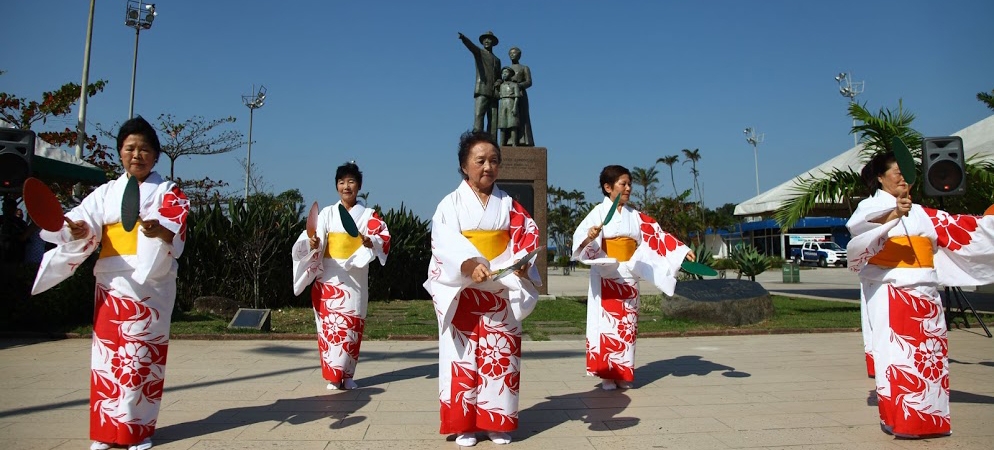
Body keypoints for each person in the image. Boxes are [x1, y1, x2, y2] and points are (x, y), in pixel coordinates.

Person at [31, 116, 189, 450]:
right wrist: (77, 229)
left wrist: (157, 230)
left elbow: (174, 229)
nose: (137, 155)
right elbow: (83, 223)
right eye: (130, 148)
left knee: (140, 358)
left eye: (144, 149)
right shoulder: (105, 193)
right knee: (108, 358)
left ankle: (136, 431)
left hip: (149, 284)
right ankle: (106, 431)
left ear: (156, 155)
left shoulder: (168, 192)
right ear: (120, 153)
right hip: (111, 281)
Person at [846, 151, 994, 438]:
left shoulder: (923, 213)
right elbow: (859, 229)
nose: (902, 177)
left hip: (927, 295)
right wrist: (893, 214)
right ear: (880, 178)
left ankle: (930, 421)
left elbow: (965, 229)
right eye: (896, 172)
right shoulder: (870, 207)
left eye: (906, 172)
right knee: (901, 361)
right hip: (894, 294)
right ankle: (903, 422)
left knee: (932, 363)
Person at [424, 130, 541, 447]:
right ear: (464, 165)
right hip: (464, 290)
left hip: (501, 289)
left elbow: (527, 236)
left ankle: (497, 421)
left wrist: (518, 264)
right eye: (480, 160)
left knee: (500, 357)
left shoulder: (510, 206)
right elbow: (444, 243)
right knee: (462, 358)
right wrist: (468, 264)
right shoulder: (450, 205)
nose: (487, 167)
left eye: (493, 161)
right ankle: (465, 423)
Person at [571, 165, 695, 391]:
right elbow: (580, 239)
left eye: (629, 184)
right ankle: (607, 375)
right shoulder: (598, 212)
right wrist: (589, 237)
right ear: (608, 187)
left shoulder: (635, 216)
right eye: (623, 184)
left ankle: (622, 373)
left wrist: (680, 250)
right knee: (606, 326)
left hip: (628, 274)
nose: (628, 188)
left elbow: (657, 235)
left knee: (626, 327)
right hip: (606, 273)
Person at [291, 161, 390, 390]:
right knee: (329, 327)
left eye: (351, 181)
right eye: (342, 182)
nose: (346, 186)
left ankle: (347, 375)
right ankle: (332, 376)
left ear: (359, 185)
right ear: (336, 186)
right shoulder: (327, 213)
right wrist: (312, 242)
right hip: (329, 276)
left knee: (352, 325)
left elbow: (383, 237)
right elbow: (312, 237)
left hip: (355, 276)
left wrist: (370, 240)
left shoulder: (368, 215)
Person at [458, 31, 502, 136]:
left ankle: (492, 141)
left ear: (493, 42)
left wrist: (499, 81)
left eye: (489, 39)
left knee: (493, 120)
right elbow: (471, 47)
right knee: (479, 115)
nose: (487, 41)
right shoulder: (480, 53)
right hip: (482, 89)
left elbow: (499, 76)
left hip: (494, 93)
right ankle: (478, 138)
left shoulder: (497, 60)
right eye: (485, 39)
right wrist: (464, 39)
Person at [507, 46, 534, 146]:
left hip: (521, 95)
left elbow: (529, 82)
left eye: (514, 53)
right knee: (510, 118)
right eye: (510, 53)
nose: (512, 55)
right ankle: (509, 140)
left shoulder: (524, 68)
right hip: (509, 96)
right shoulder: (507, 69)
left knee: (522, 117)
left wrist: (519, 85)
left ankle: (524, 140)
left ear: (519, 55)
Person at [496, 66, 521, 147]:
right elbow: (498, 95)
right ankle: (502, 144)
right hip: (503, 103)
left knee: (513, 124)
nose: (504, 74)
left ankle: (514, 144)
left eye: (506, 72)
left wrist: (515, 107)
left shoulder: (514, 85)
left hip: (511, 102)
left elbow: (517, 96)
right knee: (502, 125)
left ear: (510, 74)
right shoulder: (501, 85)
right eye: (503, 73)